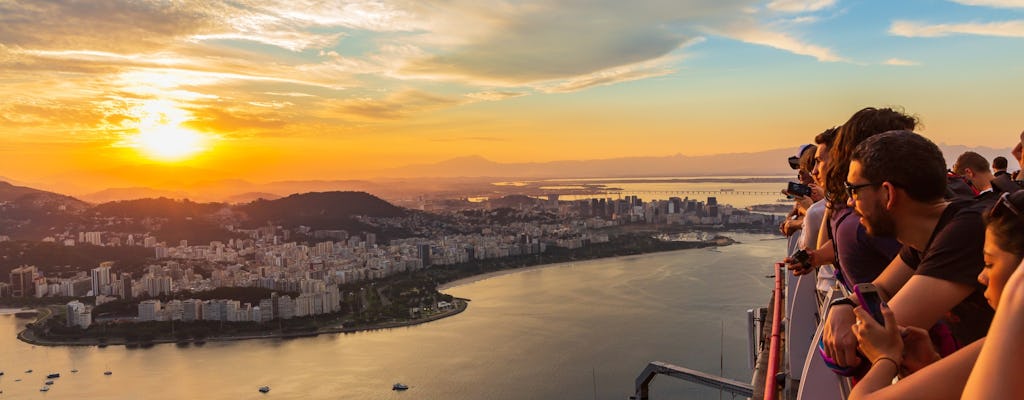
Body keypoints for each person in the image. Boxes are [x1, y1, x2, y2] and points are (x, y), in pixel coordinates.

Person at [823, 130, 994, 369]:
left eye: (854, 190)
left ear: (887, 193)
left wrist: (848, 320)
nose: (850, 202)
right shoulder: (930, 233)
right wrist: (843, 305)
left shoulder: (966, 233)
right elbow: (881, 288)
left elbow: (879, 338)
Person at [847, 190, 1024, 399]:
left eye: (988, 263)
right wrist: (929, 366)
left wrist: (885, 358)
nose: (981, 277)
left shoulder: (1011, 343)